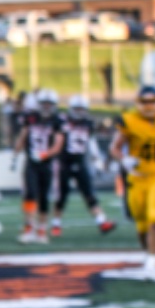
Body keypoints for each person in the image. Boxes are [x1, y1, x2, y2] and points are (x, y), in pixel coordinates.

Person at [111, 85, 155, 276]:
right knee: (141, 226)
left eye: (152, 101)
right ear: (138, 103)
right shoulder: (129, 120)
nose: (149, 106)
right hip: (137, 178)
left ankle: (152, 261)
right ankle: (148, 254)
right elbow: (115, 147)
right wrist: (123, 159)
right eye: (145, 102)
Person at [52, 95, 114, 237]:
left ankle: (102, 222)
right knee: (61, 196)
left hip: (80, 162)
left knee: (89, 193)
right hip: (64, 163)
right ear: (71, 109)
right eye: (77, 108)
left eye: (82, 109)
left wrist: (97, 159)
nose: (79, 112)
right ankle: (56, 224)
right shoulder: (62, 121)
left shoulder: (88, 123)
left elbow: (91, 142)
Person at [13, 90, 62, 244]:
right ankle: (28, 228)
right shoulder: (31, 117)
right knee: (30, 194)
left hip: (47, 164)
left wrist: (45, 154)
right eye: (44, 104)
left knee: (44, 198)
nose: (46, 107)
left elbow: (58, 144)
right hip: (31, 163)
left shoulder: (57, 120)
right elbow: (23, 135)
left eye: (49, 104)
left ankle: (41, 230)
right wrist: (15, 154)